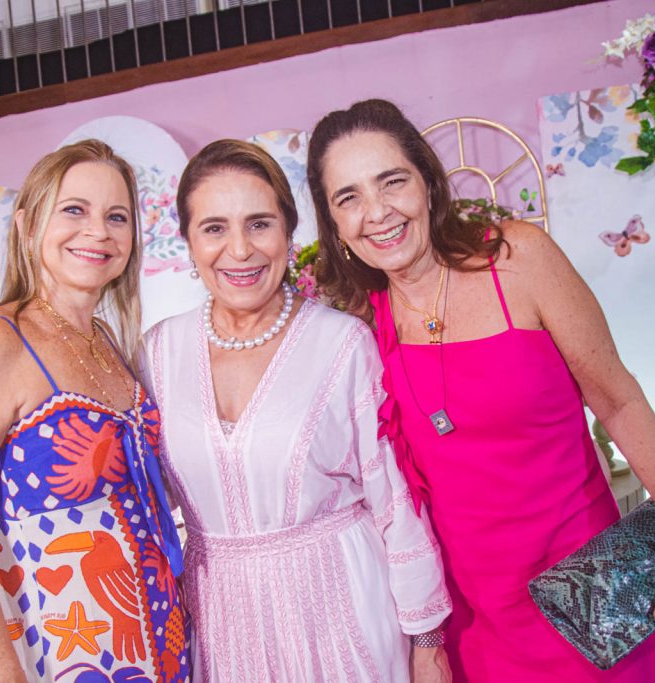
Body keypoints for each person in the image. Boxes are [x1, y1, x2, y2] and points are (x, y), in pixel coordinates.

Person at [306, 99, 655, 683]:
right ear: (334, 225)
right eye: (347, 198)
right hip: (471, 622)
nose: (376, 212)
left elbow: (618, 400)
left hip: (590, 596)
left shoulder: (518, 258)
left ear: (428, 185)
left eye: (392, 182)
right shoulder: (356, 324)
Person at [140, 139, 452, 682]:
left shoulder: (343, 343)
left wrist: (427, 639)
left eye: (259, 224)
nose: (240, 250)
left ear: (288, 231)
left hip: (341, 609)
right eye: (214, 228)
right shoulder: (157, 353)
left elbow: (394, 498)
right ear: (188, 241)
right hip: (220, 622)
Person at [0, 140, 189, 683]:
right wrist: (4, 675)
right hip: (62, 648)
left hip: (157, 634)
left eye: (117, 216)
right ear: (27, 224)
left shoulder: (107, 339)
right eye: (74, 210)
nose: (98, 231)